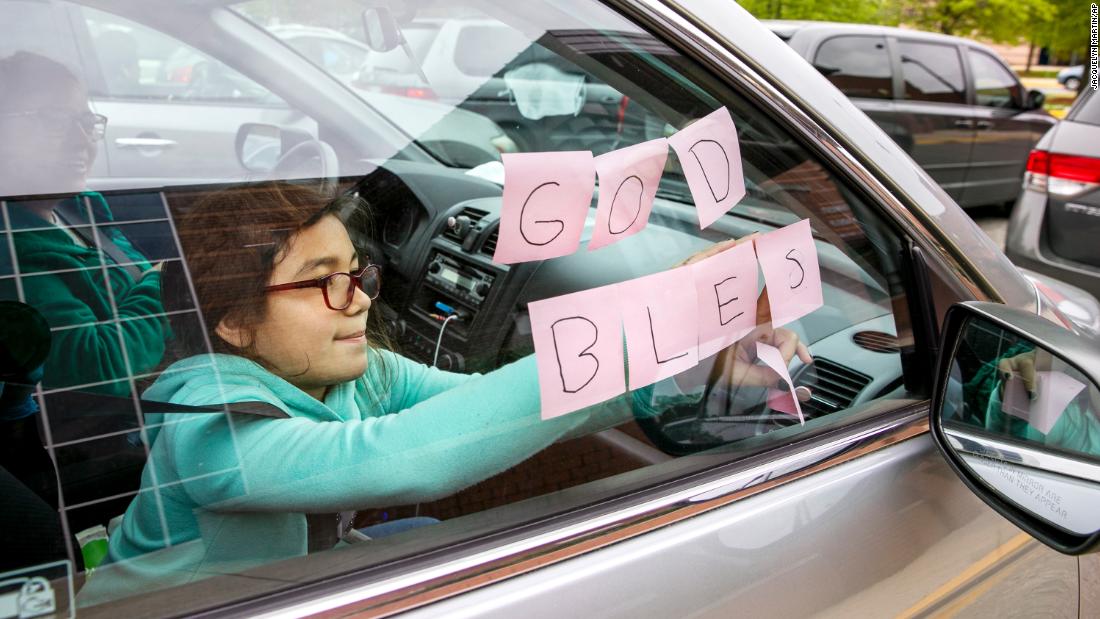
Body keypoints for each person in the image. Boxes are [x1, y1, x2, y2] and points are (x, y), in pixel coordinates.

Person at [79, 182, 809, 603]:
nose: (359, 298)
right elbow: (407, 456)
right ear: (237, 321)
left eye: (357, 272)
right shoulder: (211, 428)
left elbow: (484, 404)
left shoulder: (354, 369)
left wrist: (689, 366)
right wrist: (658, 314)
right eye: (321, 282)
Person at [0, 52, 169, 394]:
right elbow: (98, 368)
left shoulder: (78, 209)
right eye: (55, 122)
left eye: (87, 123)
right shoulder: (10, 253)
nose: (82, 140)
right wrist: (162, 285)